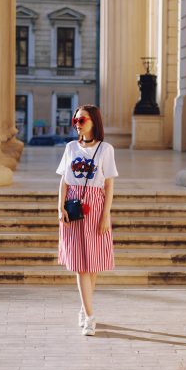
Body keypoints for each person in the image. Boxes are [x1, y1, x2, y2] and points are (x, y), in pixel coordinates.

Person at [56, 105, 118, 336]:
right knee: (80, 264)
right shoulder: (71, 147)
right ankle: (90, 316)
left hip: (96, 206)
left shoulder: (105, 149)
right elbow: (64, 180)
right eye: (76, 120)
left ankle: (84, 309)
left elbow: (109, 184)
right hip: (73, 206)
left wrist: (106, 215)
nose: (77, 123)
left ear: (94, 122)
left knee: (92, 265)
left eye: (82, 120)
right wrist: (59, 206)